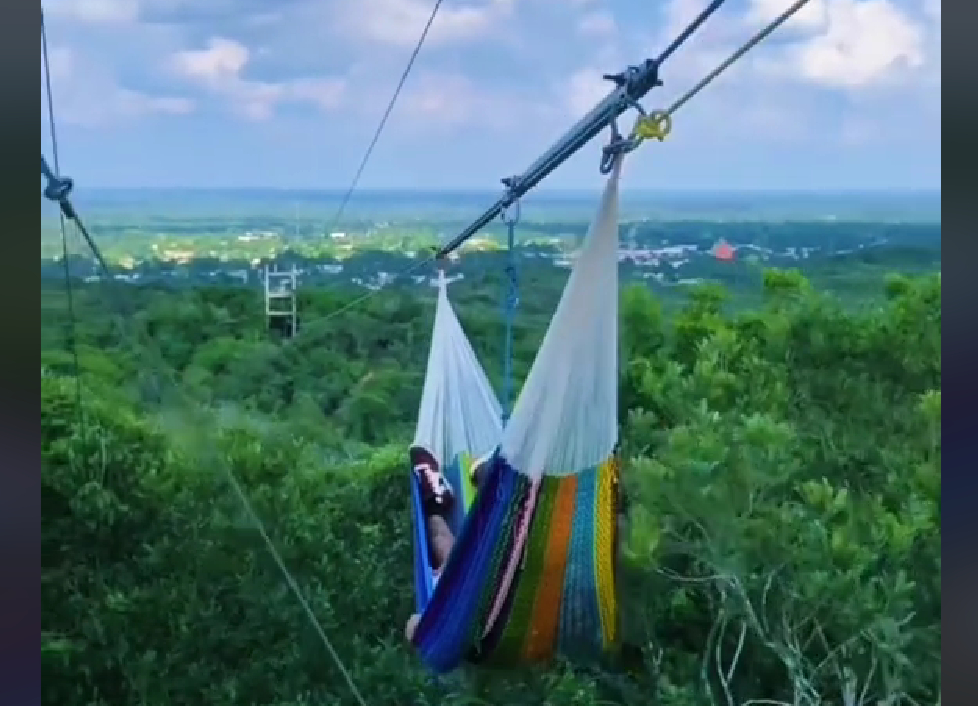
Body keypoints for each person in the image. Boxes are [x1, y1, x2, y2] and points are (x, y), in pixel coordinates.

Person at [404, 445, 489, 642]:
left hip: (458, 579)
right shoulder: (454, 624)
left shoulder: (434, 607)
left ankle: (437, 497)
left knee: (439, 534)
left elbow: (413, 626)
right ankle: (486, 481)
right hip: (475, 581)